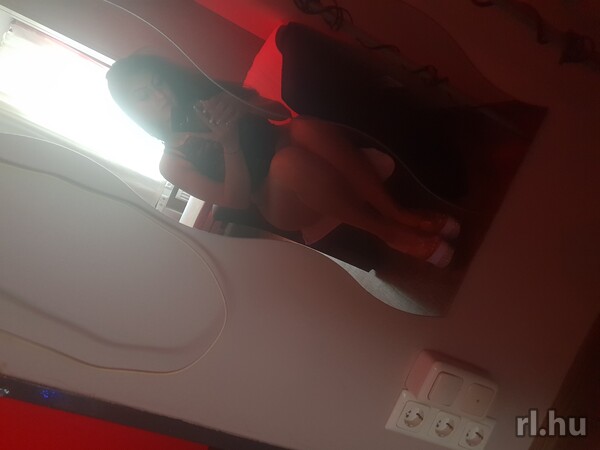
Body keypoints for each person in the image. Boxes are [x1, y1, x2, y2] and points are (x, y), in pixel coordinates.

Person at [106, 54, 460, 267]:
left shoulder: (205, 96)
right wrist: (229, 144)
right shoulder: (171, 162)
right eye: (144, 95)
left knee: (303, 127)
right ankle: (389, 233)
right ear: (134, 110)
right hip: (275, 199)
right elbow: (236, 201)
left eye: (159, 83)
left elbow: (279, 114)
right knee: (287, 162)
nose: (160, 95)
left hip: (289, 142)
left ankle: (396, 212)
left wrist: (242, 107)